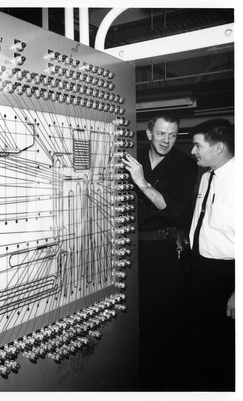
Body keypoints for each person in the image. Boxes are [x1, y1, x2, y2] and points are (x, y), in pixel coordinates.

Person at [122, 114, 198, 390]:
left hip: (166, 250)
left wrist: (142, 182)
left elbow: (173, 210)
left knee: (167, 320)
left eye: (173, 135)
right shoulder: (133, 157)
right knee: (136, 318)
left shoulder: (185, 165)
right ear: (149, 133)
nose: (167, 140)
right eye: (162, 133)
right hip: (132, 247)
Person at [188, 118, 235, 391]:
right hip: (202, 270)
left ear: (218, 148)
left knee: (224, 348)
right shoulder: (207, 177)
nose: (193, 151)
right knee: (204, 340)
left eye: (197, 145)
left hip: (228, 275)